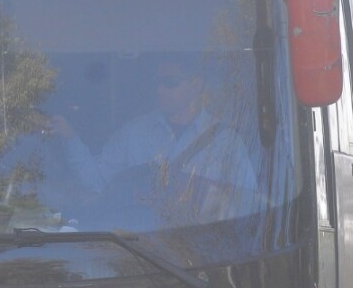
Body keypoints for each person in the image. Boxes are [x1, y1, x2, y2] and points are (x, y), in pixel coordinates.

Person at [49, 56, 258, 215]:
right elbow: (95, 181)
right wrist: (70, 138)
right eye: (158, 82)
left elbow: (247, 207)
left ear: (196, 84)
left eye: (170, 82)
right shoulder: (133, 133)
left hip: (201, 251)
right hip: (139, 250)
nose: (160, 90)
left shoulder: (227, 142)